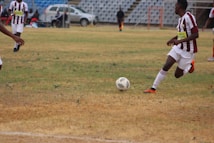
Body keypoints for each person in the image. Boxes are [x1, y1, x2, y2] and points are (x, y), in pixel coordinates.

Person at [144, 0, 199, 94]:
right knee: (166, 65)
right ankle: (153, 88)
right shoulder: (180, 19)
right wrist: (172, 39)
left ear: (180, 7)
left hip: (188, 51)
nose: (174, 7)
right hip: (178, 48)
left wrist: (179, 41)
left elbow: (196, 34)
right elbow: (182, 35)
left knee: (177, 75)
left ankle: (189, 67)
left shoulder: (189, 17)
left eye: (176, 5)